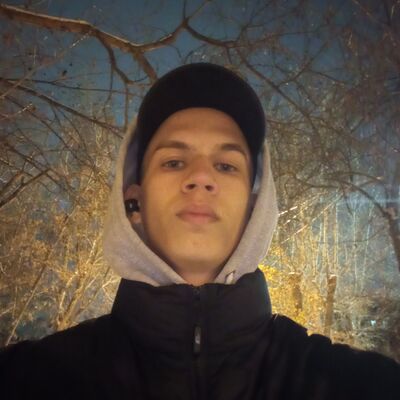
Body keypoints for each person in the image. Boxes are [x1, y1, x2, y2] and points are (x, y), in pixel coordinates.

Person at [1, 63, 399, 399]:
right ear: (134, 202)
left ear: (254, 209)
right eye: (174, 161)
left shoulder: (360, 385)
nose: (201, 177)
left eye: (226, 166)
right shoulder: (28, 380)